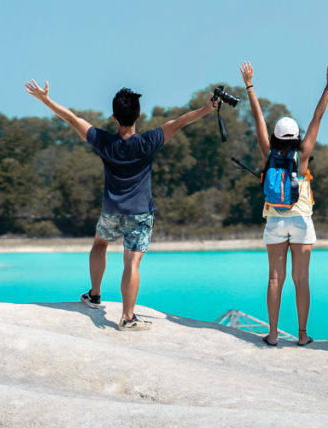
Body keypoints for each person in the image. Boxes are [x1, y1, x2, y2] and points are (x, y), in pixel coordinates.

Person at [25, 80, 216, 331]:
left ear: (114, 116)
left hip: (111, 211)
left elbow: (72, 119)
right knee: (132, 263)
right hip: (140, 213)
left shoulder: (103, 141)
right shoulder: (149, 141)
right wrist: (207, 109)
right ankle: (127, 317)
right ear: (139, 115)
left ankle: (94, 295)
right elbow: (180, 122)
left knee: (100, 243)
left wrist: (46, 100)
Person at [240, 61, 328, 347]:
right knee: (301, 280)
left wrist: (250, 85)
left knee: (274, 280)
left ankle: (272, 334)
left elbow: (257, 118)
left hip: (275, 221)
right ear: (295, 137)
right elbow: (317, 119)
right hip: (302, 221)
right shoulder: (303, 154)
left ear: (275, 137)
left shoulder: (267, 153)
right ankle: (303, 335)